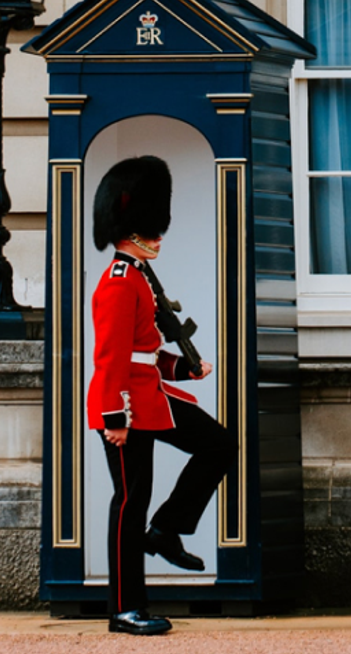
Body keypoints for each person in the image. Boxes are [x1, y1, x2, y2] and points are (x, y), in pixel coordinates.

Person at [87, 155, 237, 636]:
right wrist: (114, 417)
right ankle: (125, 608)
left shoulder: (140, 278)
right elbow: (110, 360)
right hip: (125, 406)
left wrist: (184, 369)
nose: (159, 237)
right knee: (130, 503)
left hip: (149, 395)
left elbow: (144, 352)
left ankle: (168, 530)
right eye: (151, 230)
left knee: (218, 444)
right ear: (131, 230)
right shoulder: (117, 283)